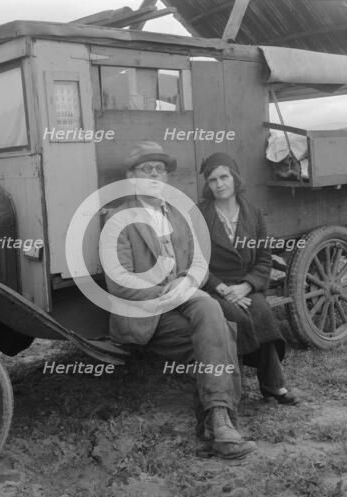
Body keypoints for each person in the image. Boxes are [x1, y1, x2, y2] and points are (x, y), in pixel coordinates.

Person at [101, 141, 257, 459]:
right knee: (222, 330)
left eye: (161, 170)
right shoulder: (117, 220)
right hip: (146, 314)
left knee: (211, 311)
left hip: (183, 300)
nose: (156, 176)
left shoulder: (178, 215)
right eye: (147, 169)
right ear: (131, 178)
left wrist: (186, 283)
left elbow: (198, 265)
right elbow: (120, 285)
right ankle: (220, 424)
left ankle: (218, 421)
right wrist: (168, 292)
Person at [198, 152, 298, 405]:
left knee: (262, 310)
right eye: (213, 180)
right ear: (208, 185)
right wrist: (221, 288)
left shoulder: (253, 213)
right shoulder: (199, 215)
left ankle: (273, 384)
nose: (219, 184)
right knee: (237, 316)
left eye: (224, 177)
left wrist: (245, 286)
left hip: (245, 284)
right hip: (213, 287)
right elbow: (195, 261)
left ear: (234, 178)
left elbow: (264, 258)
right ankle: (230, 388)